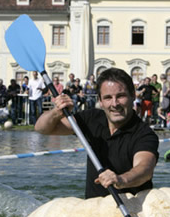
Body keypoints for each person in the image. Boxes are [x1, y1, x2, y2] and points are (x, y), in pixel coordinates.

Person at [35, 67, 159, 199]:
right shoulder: (91, 119)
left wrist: (120, 180)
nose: (114, 103)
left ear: (133, 96)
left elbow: (144, 169)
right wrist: (56, 112)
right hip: (94, 209)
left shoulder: (144, 134)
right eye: (107, 98)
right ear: (100, 100)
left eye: (121, 96)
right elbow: (42, 128)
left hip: (132, 208)